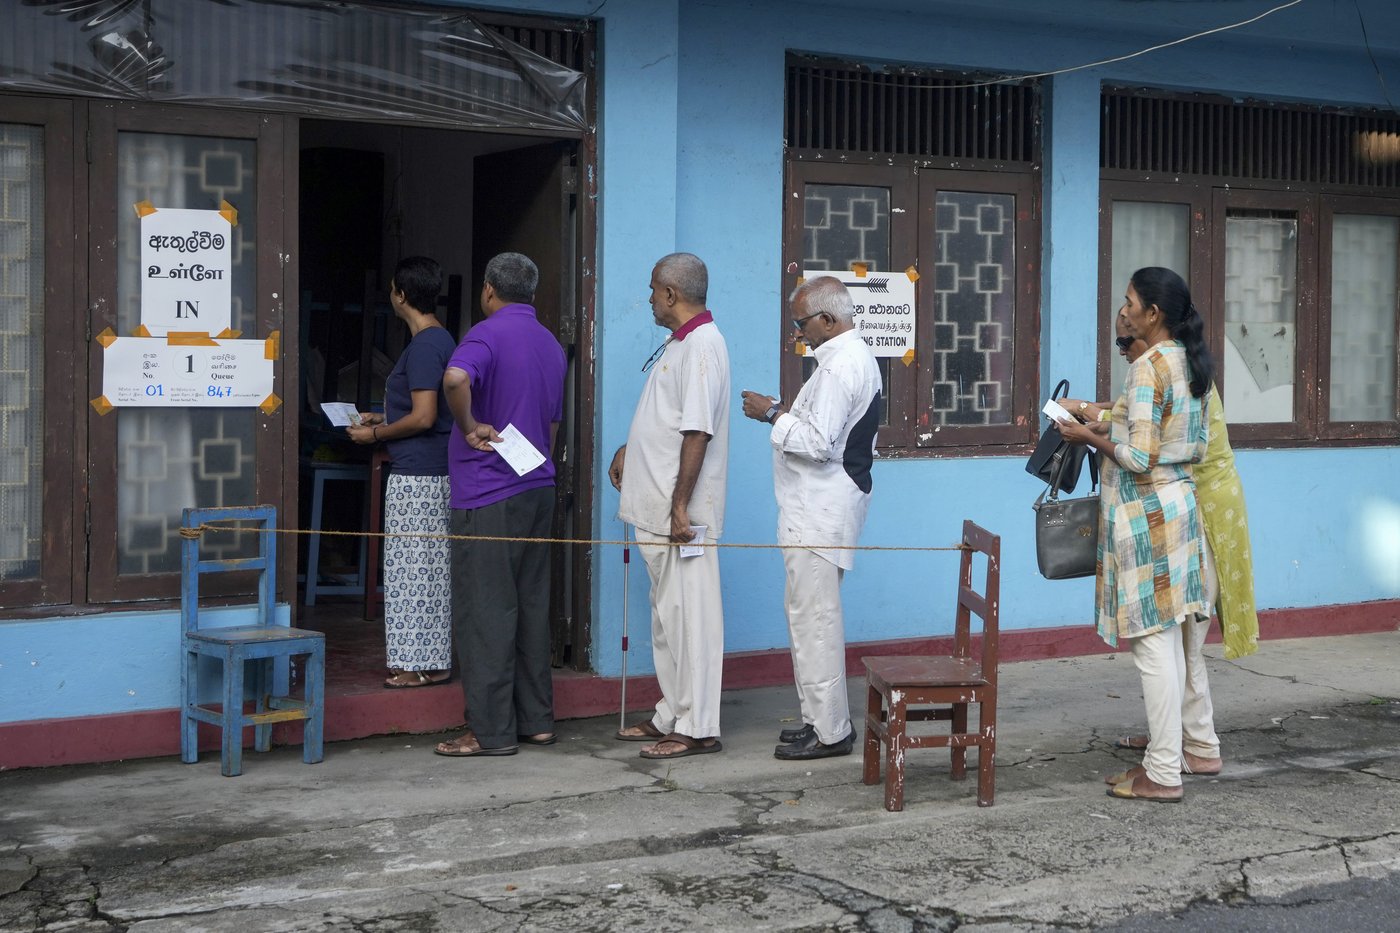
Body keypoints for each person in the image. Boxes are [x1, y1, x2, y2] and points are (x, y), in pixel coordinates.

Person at [1065, 314, 1260, 763]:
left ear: (1151, 331)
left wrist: (1090, 427)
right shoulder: (1186, 366)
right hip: (1196, 509)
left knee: (1181, 645)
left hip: (1201, 517)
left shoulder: (1163, 371)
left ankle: (1185, 748)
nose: (1123, 352)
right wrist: (1096, 416)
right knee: (1179, 645)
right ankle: (1184, 740)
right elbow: (1130, 419)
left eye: (1125, 342)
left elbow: (1141, 447)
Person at [1058, 266, 1212, 803]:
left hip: (1147, 515)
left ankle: (1164, 772)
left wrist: (1084, 434)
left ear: (1154, 314)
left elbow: (1140, 456)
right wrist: (1107, 427)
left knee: (1153, 646)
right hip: (1179, 506)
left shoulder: (1148, 366)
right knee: (1169, 643)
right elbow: (1173, 438)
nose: (1122, 311)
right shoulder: (1186, 359)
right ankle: (1166, 760)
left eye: (1130, 302)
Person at [739, 276, 881, 760]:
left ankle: (831, 732)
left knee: (816, 622)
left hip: (822, 512)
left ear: (827, 318)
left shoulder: (843, 366)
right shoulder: (841, 360)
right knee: (807, 619)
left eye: (802, 323)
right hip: (816, 511)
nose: (798, 333)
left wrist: (772, 413)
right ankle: (818, 721)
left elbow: (819, 445)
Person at [433, 252, 567, 758]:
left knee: (486, 610)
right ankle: (537, 721)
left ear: (489, 289)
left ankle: (488, 731)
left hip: (488, 493)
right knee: (532, 606)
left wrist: (469, 427)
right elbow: (552, 424)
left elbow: (453, 379)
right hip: (537, 487)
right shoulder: (551, 344)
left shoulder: (484, 335)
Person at [610, 252, 730, 760]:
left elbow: (697, 430)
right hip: (656, 504)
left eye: (653, 290)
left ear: (671, 294)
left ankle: (698, 726)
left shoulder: (703, 345)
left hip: (679, 515)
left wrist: (681, 506)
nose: (650, 300)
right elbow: (665, 416)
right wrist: (630, 450)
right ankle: (671, 711)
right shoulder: (678, 343)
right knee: (666, 617)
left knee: (691, 620)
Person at [346, 256, 457, 689]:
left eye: (393, 289)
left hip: (420, 477)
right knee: (425, 569)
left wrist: (377, 437)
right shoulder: (437, 341)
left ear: (401, 295)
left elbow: (426, 416)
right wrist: (384, 417)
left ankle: (419, 665)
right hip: (429, 472)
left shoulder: (428, 345)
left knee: (414, 570)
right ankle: (430, 661)